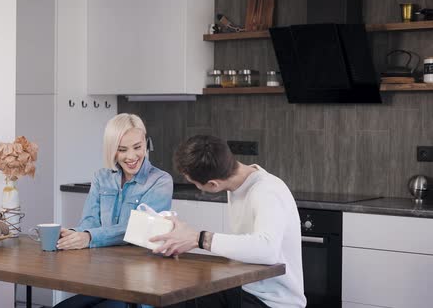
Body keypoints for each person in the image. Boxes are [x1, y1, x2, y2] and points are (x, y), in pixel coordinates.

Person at [150, 135, 306, 308]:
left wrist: (199, 239)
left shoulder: (267, 191)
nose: (195, 187)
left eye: (194, 183)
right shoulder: (236, 183)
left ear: (213, 185)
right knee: (175, 301)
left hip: (273, 302)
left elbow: (267, 250)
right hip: (243, 288)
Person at [54, 113, 173, 308]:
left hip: (141, 284)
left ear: (145, 144)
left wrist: (89, 237)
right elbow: (89, 221)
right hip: (103, 278)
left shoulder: (160, 181)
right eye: (122, 149)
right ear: (112, 150)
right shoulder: (102, 177)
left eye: (138, 147)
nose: (132, 156)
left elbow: (136, 230)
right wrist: (74, 234)